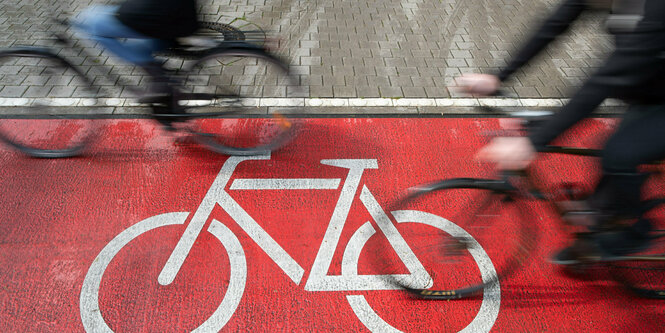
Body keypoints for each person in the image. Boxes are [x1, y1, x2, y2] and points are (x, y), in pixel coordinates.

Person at [456, 0, 665, 264]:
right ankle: (594, 240)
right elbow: (552, 26)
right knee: (606, 153)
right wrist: (498, 76)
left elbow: (607, 80)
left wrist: (533, 143)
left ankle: (634, 232)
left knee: (618, 153)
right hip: (650, 94)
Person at [74, 0, 200, 98]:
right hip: (174, 14)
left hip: (160, 17)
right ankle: (154, 66)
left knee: (95, 27)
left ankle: (156, 74)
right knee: (92, 14)